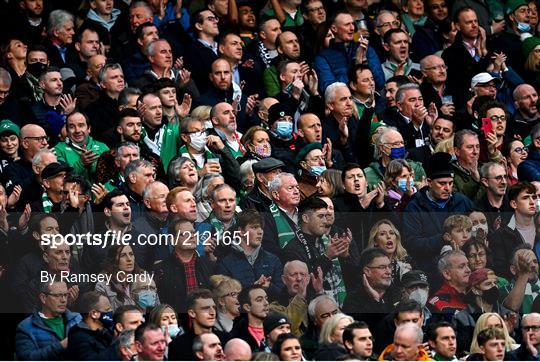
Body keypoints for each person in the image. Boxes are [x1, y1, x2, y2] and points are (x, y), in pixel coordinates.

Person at [403, 152, 474, 274]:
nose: (447, 188)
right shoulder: (415, 206)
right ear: (429, 182)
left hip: (466, 266)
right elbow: (412, 243)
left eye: (450, 183)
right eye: (442, 183)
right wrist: (442, 239)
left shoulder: (462, 201)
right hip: (431, 270)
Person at [216, 209, 284, 299]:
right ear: (241, 231)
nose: (260, 232)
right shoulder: (226, 264)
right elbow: (226, 300)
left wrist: (269, 287)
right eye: (254, 227)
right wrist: (252, 289)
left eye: (261, 228)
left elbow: (284, 296)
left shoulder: (273, 260)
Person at [15, 281, 82, 360]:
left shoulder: (77, 319)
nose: (63, 300)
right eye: (58, 295)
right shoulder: (26, 327)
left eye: (66, 295)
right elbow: (27, 358)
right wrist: (61, 346)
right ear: (43, 298)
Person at [54, 111, 109, 183]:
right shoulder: (58, 149)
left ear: (89, 128)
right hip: (74, 193)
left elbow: (111, 177)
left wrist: (94, 165)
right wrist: (81, 163)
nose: (77, 130)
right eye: (72, 127)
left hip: (102, 193)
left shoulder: (102, 147)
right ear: (67, 131)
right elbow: (62, 179)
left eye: (81, 125)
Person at [66, 291, 118, 360]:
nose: (111, 312)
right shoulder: (79, 339)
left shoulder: (105, 331)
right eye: (107, 309)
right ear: (94, 313)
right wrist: (117, 346)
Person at [367, 219, 412, 286]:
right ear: (375, 242)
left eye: (391, 233)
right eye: (382, 234)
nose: (388, 236)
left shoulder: (404, 266)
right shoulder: (369, 267)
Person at [230, 285, 270, 352]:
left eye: (266, 298)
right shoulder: (236, 337)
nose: (266, 303)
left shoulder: (277, 328)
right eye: (259, 300)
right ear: (247, 307)